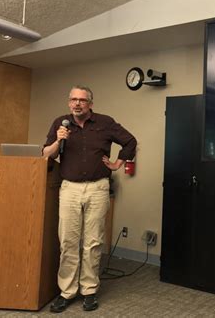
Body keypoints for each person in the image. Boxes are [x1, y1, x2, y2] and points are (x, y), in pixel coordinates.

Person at [43, 85, 136, 313]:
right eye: (73, 100)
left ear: (90, 104)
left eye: (82, 100)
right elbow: (47, 154)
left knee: (93, 242)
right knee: (68, 242)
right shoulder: (60, 123)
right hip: (69, 189)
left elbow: (130, 141)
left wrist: (117, 164)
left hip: (97, 188)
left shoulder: (105, 122)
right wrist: (58, 140)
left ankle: (89, 290)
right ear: (68, 103)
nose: (77, 104)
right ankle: (67, 292)